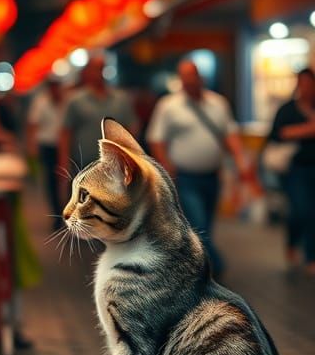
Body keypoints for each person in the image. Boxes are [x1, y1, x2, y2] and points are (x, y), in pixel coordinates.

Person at [146, 58, 249, 279]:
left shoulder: (218, 103)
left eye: (192, 76)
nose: (189, 81)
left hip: (212, 175)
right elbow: (156, 139)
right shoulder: (169, 106)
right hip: (185, 177)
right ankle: (215, 265)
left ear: (200, 77)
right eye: (184, 77)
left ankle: (195, 266)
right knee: (198, 222)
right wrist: (166, 169)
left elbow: (229, 134)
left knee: (207, 225)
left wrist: (241, 160)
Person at [59, 54, 137, 181]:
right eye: (95, 69)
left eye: (101, 68)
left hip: (115, 166)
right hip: (85, 166)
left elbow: (131, 128)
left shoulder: (121, 99)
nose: (98, 73)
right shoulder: (75, 100)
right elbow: (66, 134)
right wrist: (64, 166)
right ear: (87, 72)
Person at [268, 67, 315, 275]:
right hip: (295, 169)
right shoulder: (287, 110)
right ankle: (292, 242)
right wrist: (308, 130)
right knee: (300, 210)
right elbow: (276, 134)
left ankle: (310, 256)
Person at [26, 77, 68, 229]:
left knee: (66, 180)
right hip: (47, 145)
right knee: (51, 181)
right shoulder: (41, 102)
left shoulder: (67, 101)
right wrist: (32, 147)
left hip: (63, 145)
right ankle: (56, 215)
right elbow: (32, 124)